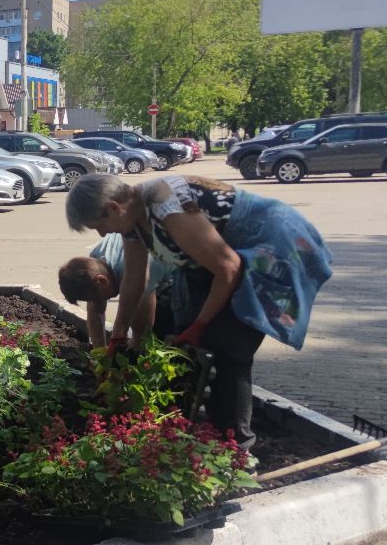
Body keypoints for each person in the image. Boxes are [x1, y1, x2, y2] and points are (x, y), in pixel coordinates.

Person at [65, 173, 332, 449]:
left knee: (229, 348)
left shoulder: (165, 205)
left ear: (112, 208)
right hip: (218, 261)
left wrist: (200, 325)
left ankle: (236, 451)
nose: (101, 234)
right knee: (186, 341)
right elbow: (135, 279)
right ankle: (195, 432)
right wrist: (118, 337)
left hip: (270, 247)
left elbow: (228, 268)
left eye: (99, 225)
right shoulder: (132, 222)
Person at [58, 233, 175, 348]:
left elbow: (142, 332)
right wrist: (100, 351)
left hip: (180, 274)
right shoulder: (95, 260)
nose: (97, 301)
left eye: (97, 297)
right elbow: (96, 311)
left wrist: (127, 353)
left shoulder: (134, 274)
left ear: (102, 280)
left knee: (162, 333)